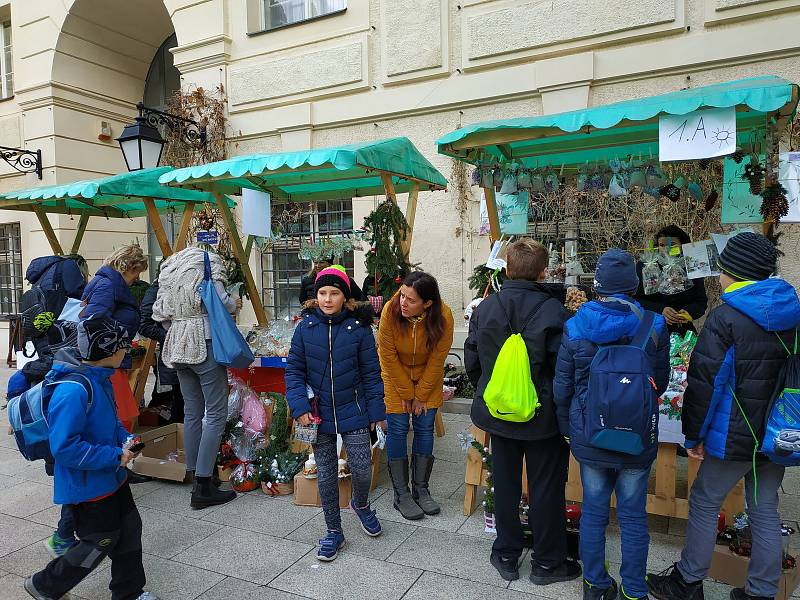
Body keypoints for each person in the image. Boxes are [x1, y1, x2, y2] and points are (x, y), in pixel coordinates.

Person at [647, 232, 800, 600]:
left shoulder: (727, 318)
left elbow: (705, 384)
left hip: (734, 433)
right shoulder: (792, 313)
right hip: (777, 432)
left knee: (703, 500)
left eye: (723, 270)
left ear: (737, 273)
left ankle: (687, 581)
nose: (718, 277)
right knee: (764, 509)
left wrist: (693, 437)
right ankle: (761, 592)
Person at [554, 249, 670, 600]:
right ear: (634, 285)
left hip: (591, 433)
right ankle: (634, 591)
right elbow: (660, 384)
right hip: (637, 436)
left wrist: (568, 427)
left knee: (593, 511)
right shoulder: (655, 325)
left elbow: (563, 387)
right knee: (634, 516)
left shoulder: (575, 325)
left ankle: (595, 585)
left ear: (597, 285)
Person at [465, 239, 579, 585]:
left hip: (499, 413)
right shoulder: (555, 312)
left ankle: (506, 554)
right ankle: (547, 563)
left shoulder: (486, 308)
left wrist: (491, 390)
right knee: (546, 488)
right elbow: (564, 368)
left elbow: (473, 359)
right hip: (542, 416)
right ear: (544, 271)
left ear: (507, 269)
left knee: (505, 483)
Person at [23, 316, 159, 600]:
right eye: (124, 346)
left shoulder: (100, 378)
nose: (128, 350)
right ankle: (45, 585)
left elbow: (110, 423)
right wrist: (113, 456)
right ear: (108, 350)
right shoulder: (73, 390)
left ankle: (129, 592)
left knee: (130, 529)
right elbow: (65, 448)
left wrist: (125, 439)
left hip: (112, 477)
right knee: (100, 541)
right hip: (89, 486)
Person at [286, 266, 386, 562]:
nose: (328, 299)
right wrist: (300, 407)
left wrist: (376, 411)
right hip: (318, 414)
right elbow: (294, 371)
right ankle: (334, 531)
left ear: (345, 296)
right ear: (315, 296)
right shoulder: (305, 328)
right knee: (327, 474)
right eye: (322, 293)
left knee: (362, 466)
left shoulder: (360, 328)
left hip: (353, 408)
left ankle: (361, 503)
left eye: (334, 293)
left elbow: (371, 373)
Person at [153, 246, 241, 509]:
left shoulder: (169, 266)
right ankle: (203, 485)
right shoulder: (208, 261)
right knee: (215, 413)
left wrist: (178, 326)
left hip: (177, 344)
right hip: (204, 342)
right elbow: (221, 300)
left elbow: (160, 311)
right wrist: (234, 302)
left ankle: (196, 474)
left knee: (192, 412)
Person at [378, 271, 454, 520]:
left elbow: (437, 359)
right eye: (402, 296)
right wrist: (406, 393)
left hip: (427, 377)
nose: (403, 303)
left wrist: (420, 395)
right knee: (398, 428)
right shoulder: (390, 310)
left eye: (411, 300)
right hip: (395, 374)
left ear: (427, 303)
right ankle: (402, 493)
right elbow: (387, 356)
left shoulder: (443, 316)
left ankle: (422, 489)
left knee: (424, 427)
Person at [81, 245, 148, 432]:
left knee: (120, 417)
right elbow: (92, 323)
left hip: (111, 359)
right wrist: (116, 343)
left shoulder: (107, 283)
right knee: (119, 419)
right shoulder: (108, 285)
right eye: (137, 272)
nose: (137, 279)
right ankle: (116, 457)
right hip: (108, 362)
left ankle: (117, 456)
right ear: (129, 267)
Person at [634, 225, 708, 335]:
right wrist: (660, 310)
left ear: (683, 245)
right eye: (662, 245)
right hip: (653, 331)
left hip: (683, 332)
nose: (666, 249)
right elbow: (636, 300)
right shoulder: (647, 267)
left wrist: (689, 312)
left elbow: (701, 301)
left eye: (672, 245)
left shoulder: (692, 266)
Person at [139, 277, 184, 423]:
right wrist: (169, 337)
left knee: (185, 402)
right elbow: (144, 325)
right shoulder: (156, 289)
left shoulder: (185, 286)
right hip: (173, 356)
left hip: (188, 354)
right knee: (180, 402)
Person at [299, 256, 363, 304]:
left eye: (322, 262)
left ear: (329, 264)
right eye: (315, 263)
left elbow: (359, 298)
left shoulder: (344, 280)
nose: (318, 266)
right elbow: (302, 300)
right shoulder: (307, 281)